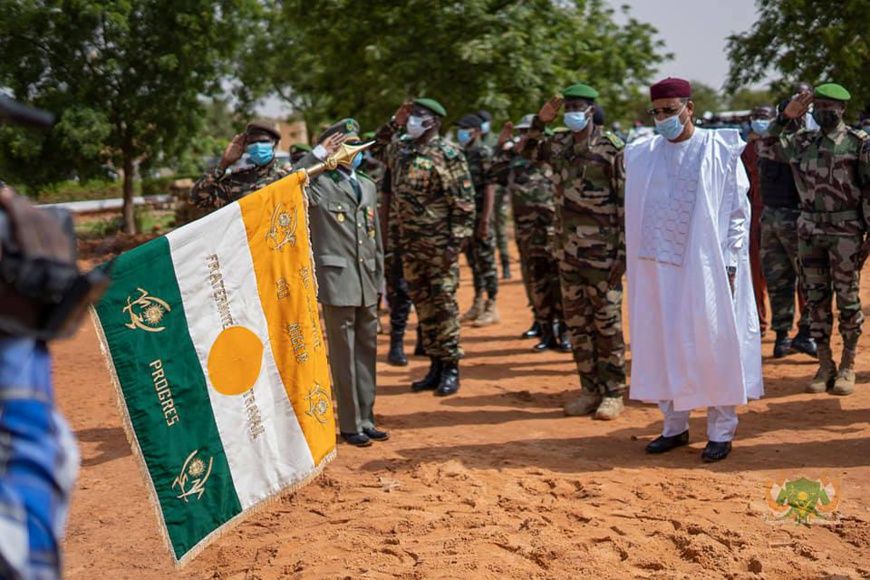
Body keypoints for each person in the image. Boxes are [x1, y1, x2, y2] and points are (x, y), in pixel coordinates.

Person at [625, 77, 763, 462]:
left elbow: (738, 212)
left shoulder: (718, 149)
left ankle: (721, 431)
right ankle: (675, 426)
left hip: (707, 267)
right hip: (657, 269)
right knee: (663, 343)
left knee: (713, 343)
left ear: (690, 108)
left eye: (670, 110)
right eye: (656, 112)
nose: (663, 118)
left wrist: (731, 264)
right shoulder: (643, 153)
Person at [523, 83, 628, 420]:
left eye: (577, 107)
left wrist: (623, 253)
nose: (571, 112)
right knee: (578, 325)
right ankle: (589, 389)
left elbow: (626, 203)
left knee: (606, 324)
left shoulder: (612, 148)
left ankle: (613, 393)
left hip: (603, 255)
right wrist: (540, 122)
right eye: (567, 107)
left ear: (590, 110)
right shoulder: (558, 143)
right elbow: (527, 152)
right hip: (567, 252)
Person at [767, 83, 870, 395]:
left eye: (830, 107)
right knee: (815, 300)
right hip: (809, 231)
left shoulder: (858, 143)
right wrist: (785, 117)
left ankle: (848, 366)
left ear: (842, 109)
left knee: (848, 300)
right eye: (819, 106)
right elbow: (766, 147)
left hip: (846, 232)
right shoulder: (802, 141)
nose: (824, 111)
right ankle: (825, 365)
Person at [373, 98, 475, 396]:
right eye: (411, 115)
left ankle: (451, 366)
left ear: (435, 122)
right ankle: (434, 365)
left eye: (419, 116)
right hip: (409, 246)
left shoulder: (449, 154)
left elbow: (464, 203)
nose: (413, 120)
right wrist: (394, 122)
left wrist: (455, 243)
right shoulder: (401, 150)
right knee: (423, 305)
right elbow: (376, 148)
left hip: (439, 246)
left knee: (444, 305)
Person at [295, 119, 387, 447]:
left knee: (367, 350)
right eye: (347, 145)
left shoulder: (368, 185)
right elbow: (289, 183)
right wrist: (317, 155)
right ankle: (350, 423)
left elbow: (375, 238)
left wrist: (381, 282)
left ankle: (367, 417)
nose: (355, 152)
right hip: (338, 281)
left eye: (357, 145)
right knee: (344, 354)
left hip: (367, 280)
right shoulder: (320, 183)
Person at [497, 115, 571, 352]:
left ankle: (565, 332)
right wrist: (502, 147)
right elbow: (494, 173)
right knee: (537, 283)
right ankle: (546, 331)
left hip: (556, 234)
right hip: (528, 234)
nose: (524, 137)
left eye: (528, 133)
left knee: (560, 283)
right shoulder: (516, 163)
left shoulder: (556, 161)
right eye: (521, 133)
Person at [752, 103, 816, 358]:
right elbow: (767, 139)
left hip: (793, 218)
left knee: (810, 280)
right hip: (777, 219)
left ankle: (804, 333)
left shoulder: (804, 143)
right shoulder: (772, 143)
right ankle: (784, 337)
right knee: (780, 281)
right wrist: (784, 117)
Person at [456, 113, 500, 327]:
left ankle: (492, 305)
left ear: (475, 131)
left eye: (464, 128)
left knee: (486, 262)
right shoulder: (462, 153)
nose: (461, 132)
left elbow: (490, 186)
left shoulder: (484, 153)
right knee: (473, 262)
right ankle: (478, 303)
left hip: (481, 216)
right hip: (468, 219)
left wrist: (485, 220)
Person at [189, 120, 291, 209]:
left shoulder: (288, 177)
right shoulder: (236, 180)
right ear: (246, 146)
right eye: (252, 142)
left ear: (275, 144)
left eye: (263, 141)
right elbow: (197, 199)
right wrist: (223, 164)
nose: (258, 146)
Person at [741, 107, 770, 336]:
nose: (760, 121)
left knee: (793, 273)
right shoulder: (746, 150)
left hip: (782, 214)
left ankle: (803, 326)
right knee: (754, 272)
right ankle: (759, 323)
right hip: (753, 216)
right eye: (756, 117)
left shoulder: (784, 146)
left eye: (764, 118)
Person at [478, 109, 512, 280]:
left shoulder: (496, 139)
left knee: (500, 228)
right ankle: (489, 266)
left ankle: (505, 264)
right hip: (483, 193)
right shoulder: (475, 141)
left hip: (498, 191)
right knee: (486, 228)